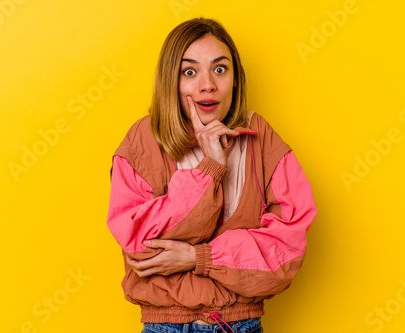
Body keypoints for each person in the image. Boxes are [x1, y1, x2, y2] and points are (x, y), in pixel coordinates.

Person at [107, 17, 317, 333]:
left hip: (241, 324)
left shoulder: (260, 138)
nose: (208, 84)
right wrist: (210, 169)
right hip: (166, 327)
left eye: (220, 69)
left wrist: (198, 257)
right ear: (171, 81)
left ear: (235, 79)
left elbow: (286, 250)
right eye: (189, 72)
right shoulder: (143, 139)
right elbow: (139, 243)